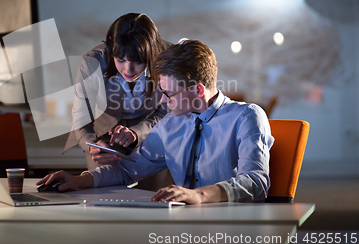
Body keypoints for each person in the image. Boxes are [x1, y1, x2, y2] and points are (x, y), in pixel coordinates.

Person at [42, 40, 274, 204]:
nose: (163, 99)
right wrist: (80, 180)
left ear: (198, 89)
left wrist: (199, 195)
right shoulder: (170, 125)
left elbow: (256, 181)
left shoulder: (247, 117)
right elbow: (127, 170)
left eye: (169, 93)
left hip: (234, 226)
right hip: (186, 225)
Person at [63, 13, 170, 170]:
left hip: (153, 133)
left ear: (151, 53)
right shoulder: (91, 63)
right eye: (120, 60)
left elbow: (167, 112)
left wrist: (136, 133)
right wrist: (92, 145)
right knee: (102, 190)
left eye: (138, 61)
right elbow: (81, 116)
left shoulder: (168, 58)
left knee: (151, 193)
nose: (128, 69)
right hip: (103, 136)